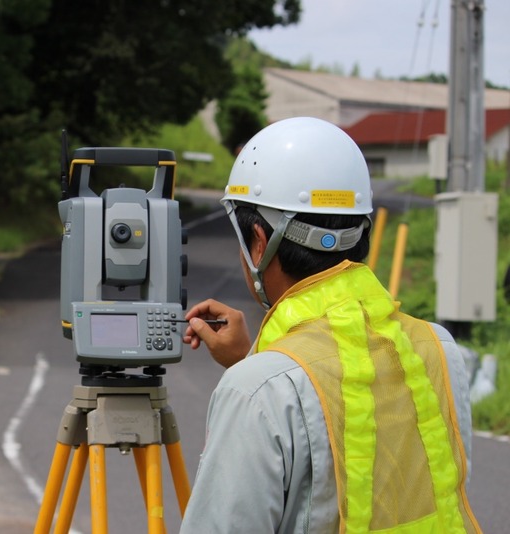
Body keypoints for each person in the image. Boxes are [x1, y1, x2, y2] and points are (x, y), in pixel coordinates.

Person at [179, 117, 481, 533]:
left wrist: (255, 375)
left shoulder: (257, 391)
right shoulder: (439, 349)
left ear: (260, 243)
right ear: (362, 231)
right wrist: (254, 363)